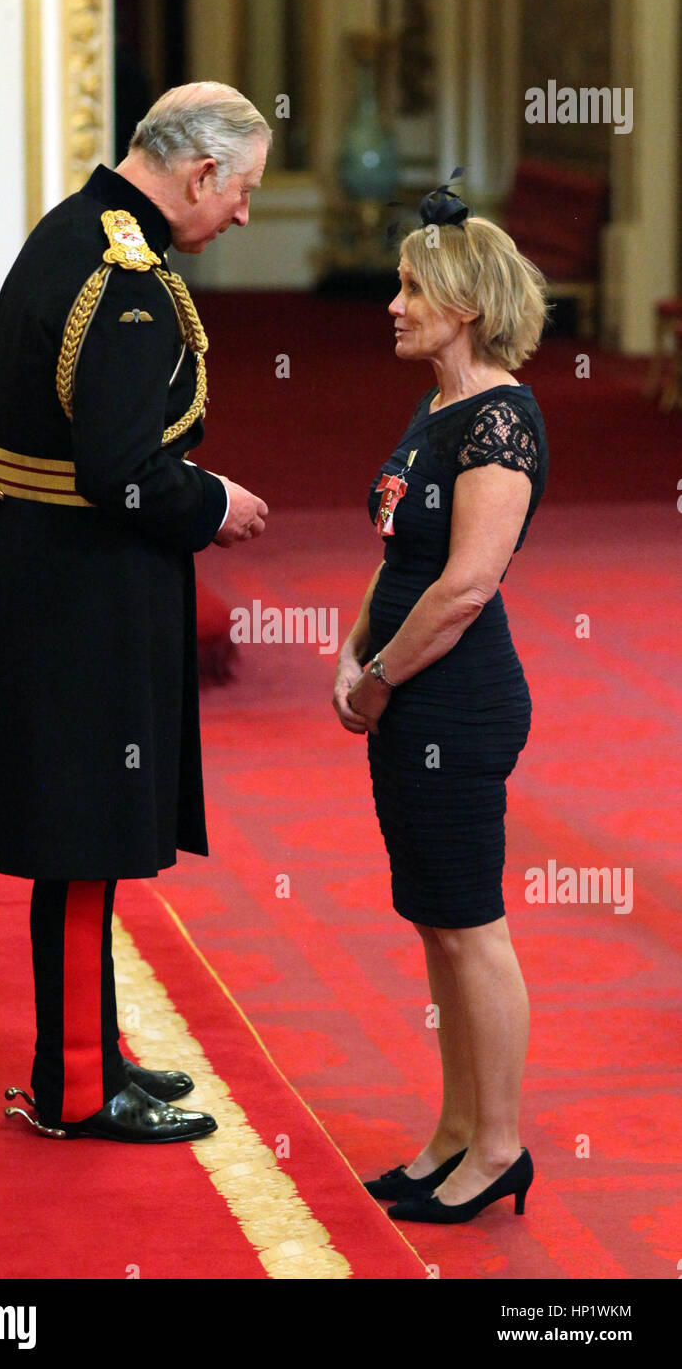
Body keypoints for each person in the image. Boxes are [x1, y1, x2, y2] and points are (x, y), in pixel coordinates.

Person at [0, 82, 270, 1143]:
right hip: (86, 599)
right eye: (244, 192)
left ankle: (97, 1042)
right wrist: (210, 500)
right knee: (86, 839)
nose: (243, 216)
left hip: (55, 585)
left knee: (87, 834)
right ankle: (77, 1084)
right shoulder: (124, 276)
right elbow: (122, 469)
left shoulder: (80, 229)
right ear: (202, 172)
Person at [333, 179, 549, 1222]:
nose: (393, 301)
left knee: (470, 927)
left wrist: (376, 681)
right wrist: (349, 644)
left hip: (453, 702)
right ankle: (453, 1134)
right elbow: (401, 556)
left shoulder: (499, 421)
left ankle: (498, 1146)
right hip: (410, 691)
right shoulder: (438, 406)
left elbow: (463, 587)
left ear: (462, 308)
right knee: (435, 922)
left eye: (411, 286)